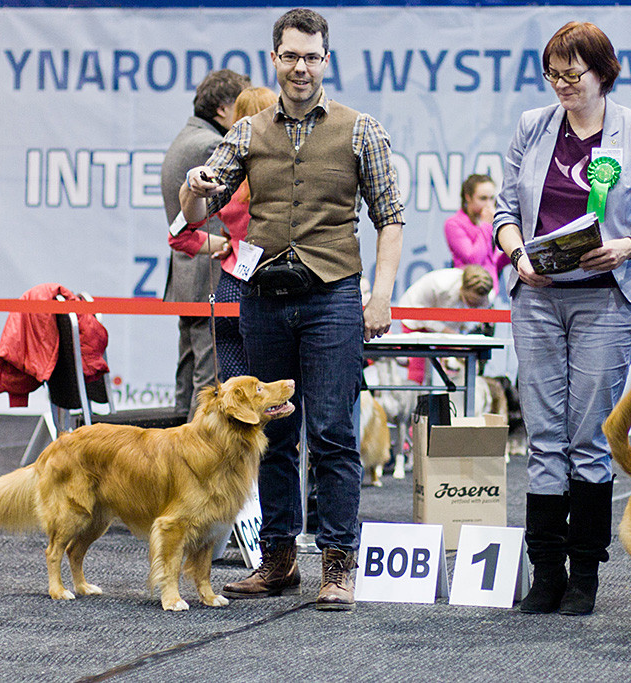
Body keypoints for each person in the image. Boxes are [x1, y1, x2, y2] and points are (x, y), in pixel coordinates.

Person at [179, 8, 404, 611]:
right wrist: (193, 186)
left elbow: (391, 219)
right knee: (269, 434)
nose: (301, 67)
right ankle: (278, 561)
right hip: (263, 298)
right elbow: (194, 214)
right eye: (290, 56)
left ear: (325, 61)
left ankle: (337, 564)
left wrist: (379, 294)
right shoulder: (248, 134)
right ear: (273, 59)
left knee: (332, 433)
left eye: (311, 56)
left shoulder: (362, 130)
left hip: (334, 296)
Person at [494, 21, 631, 616]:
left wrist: (628, 245)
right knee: (544, 438)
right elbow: (503, 210)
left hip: (605, 297)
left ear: (603, 73)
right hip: (537, 296)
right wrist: (519, 253)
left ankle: (586, 574)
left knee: (587, 439)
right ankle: (544, 570)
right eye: (554, 74)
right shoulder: (532, 126)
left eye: (575, 74)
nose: (564, 84)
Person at [168, 86, 278, 381]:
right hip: (273, 290)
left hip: (230, 288)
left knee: (234, 391)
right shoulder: (284, 184)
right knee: (276, 394)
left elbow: (178, 236)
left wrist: (229, 244)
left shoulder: (226, 178)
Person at [161, 69, 250, 421]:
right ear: (225, 109)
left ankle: (173, 457)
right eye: (241, 106)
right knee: (209, 378)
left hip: (186, 273)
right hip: (210, 271)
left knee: (188, 372)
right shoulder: (212, 147)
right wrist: (230, 242)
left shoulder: (184, 138)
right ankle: (195, 461)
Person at [398, 265, 494, 383]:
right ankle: (414, 397)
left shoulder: (488, 296)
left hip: (449, 327)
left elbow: (471, 322)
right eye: (470, 302)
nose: (472, 307)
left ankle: (452, 398)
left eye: (477, 305)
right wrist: (445, 330)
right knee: (418, 369)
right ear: (462, 289)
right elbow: (421, 316)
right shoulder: (439, 284)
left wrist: (460, 333)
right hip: (417, 316)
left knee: (454, 368)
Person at [444, 175, 510, 295]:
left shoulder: (491, 223)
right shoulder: (454, 224)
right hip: (467, 293)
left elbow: (494, 262)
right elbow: (474, 260)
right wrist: (486, 225)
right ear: (468, 197)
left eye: (492, 198)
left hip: (489, 292)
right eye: (483, 198)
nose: (489, 205)